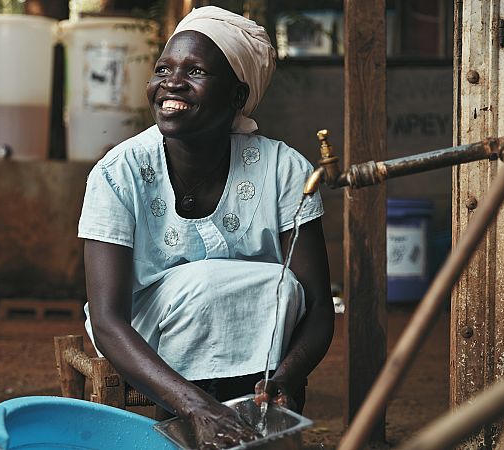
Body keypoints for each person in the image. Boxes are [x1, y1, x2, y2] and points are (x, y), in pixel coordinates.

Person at [78, 6, 334, 449]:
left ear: (237, 96)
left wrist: (288, 377)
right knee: (210, 284)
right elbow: (106, 320)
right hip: (145, 340)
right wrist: (195, 405)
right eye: (163, 69)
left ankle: (251, 425)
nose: (172, 83)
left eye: (195, 71)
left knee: (281, 284)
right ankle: (191, 425)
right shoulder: (118, 173)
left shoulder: (284, 169)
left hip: (266, 359)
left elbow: (318, 307)